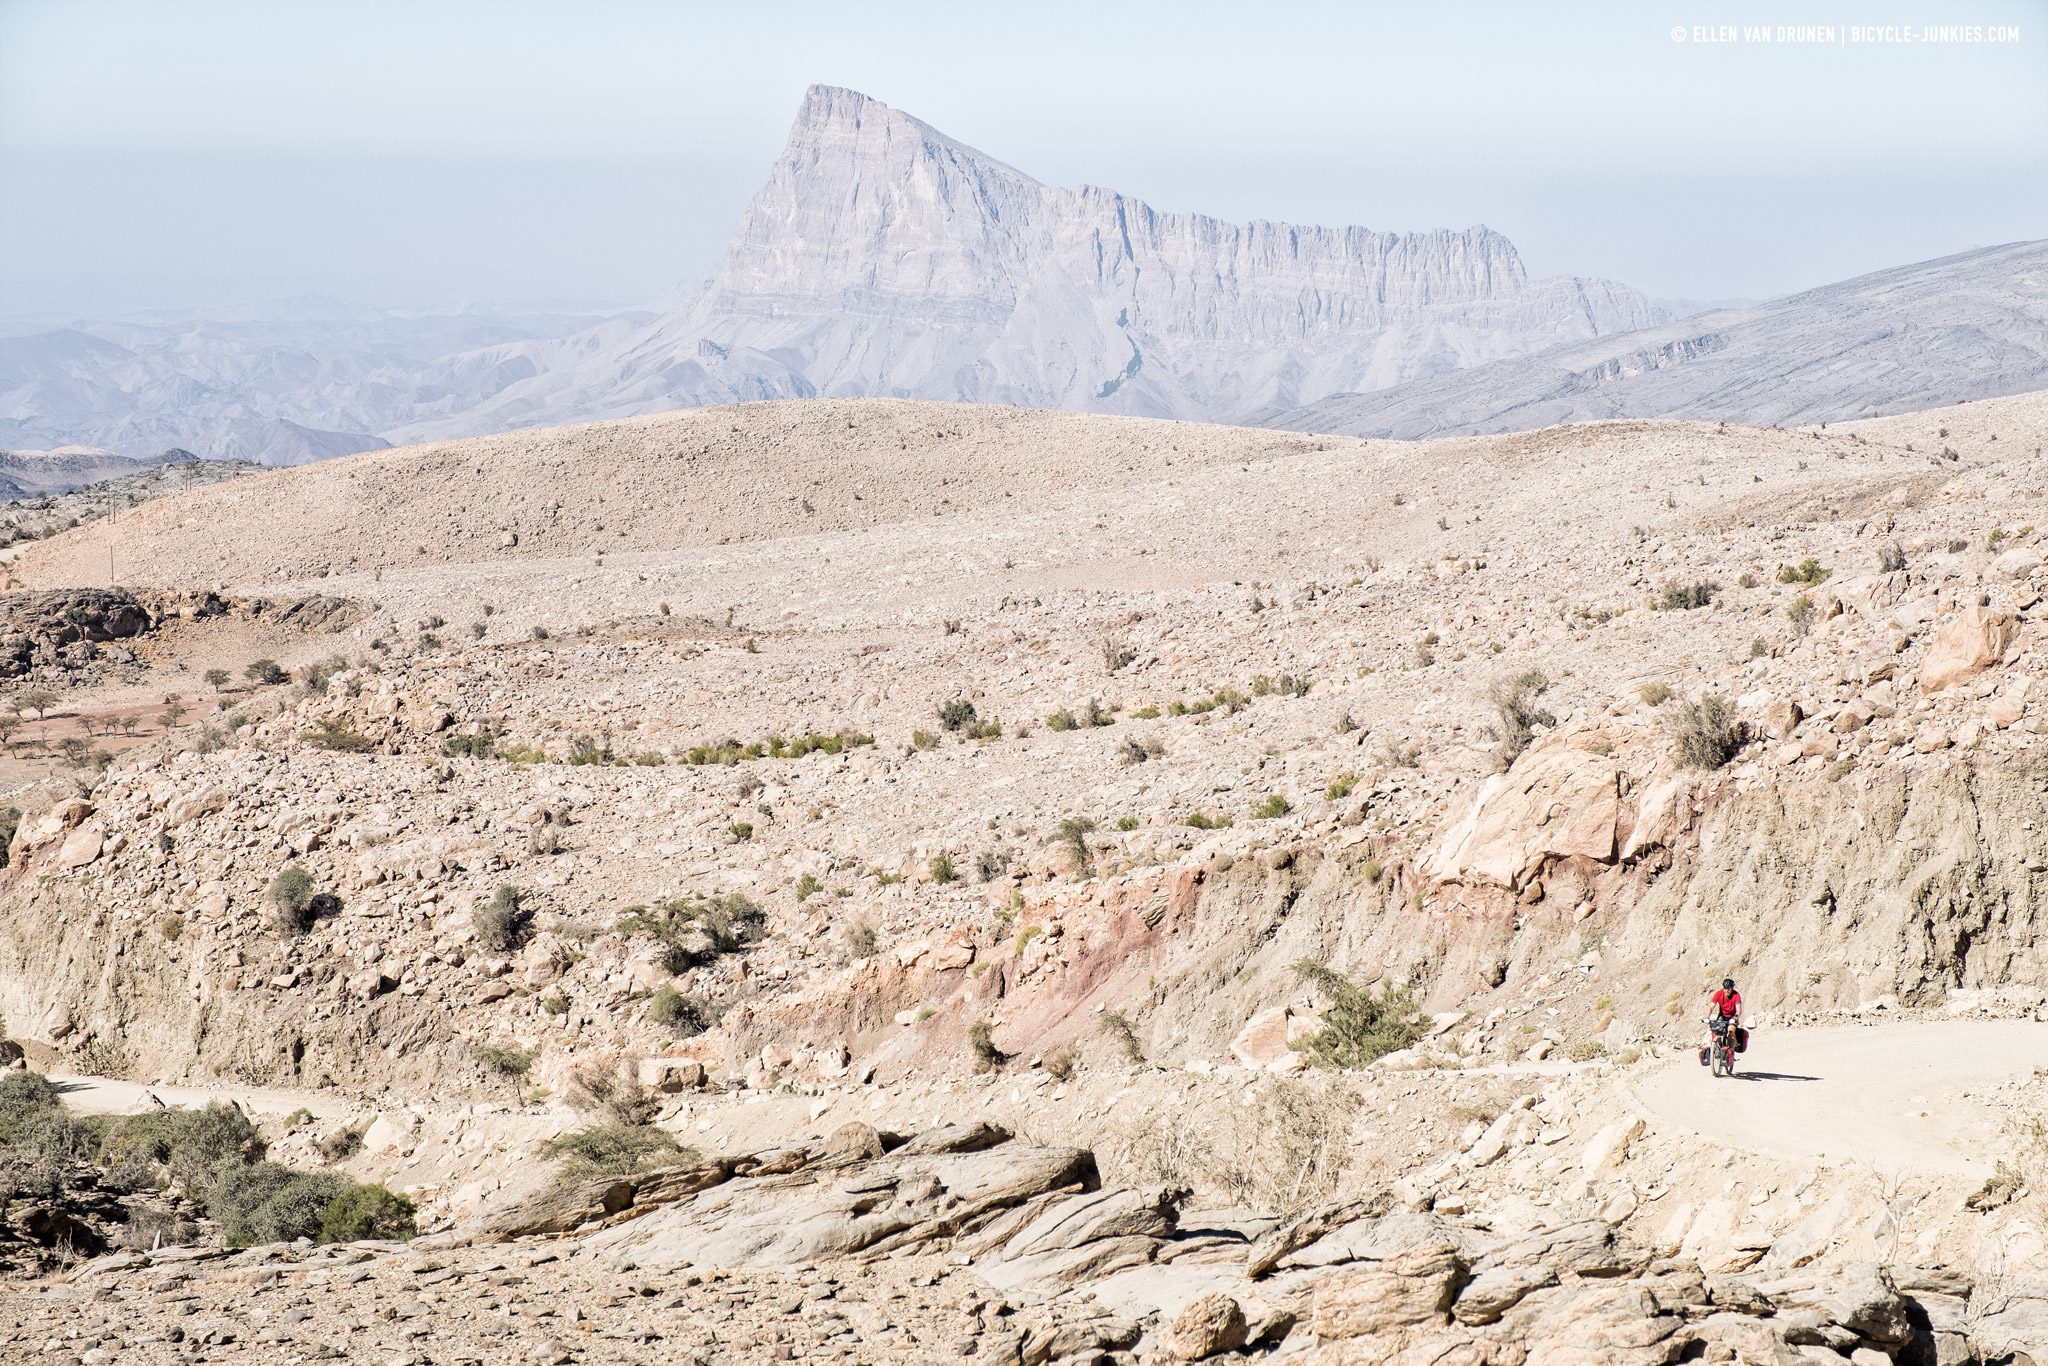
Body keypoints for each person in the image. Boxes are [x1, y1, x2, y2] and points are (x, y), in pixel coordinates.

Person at [1700, 978, 1743, 1066]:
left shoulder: (1736, 995)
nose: (1727, 990)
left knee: (1731, 1032)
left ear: (1732, 988)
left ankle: (1730, 1052)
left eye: (1729, 989)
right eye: (1725, 988)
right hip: (1722, 1016)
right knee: (1715, 1029)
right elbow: (1711, 1007)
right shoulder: (1719, 993)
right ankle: (1715, 1048)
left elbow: (1738, 1010)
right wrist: (1707, 1017)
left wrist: (1735, 1017)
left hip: (1732, 1017)